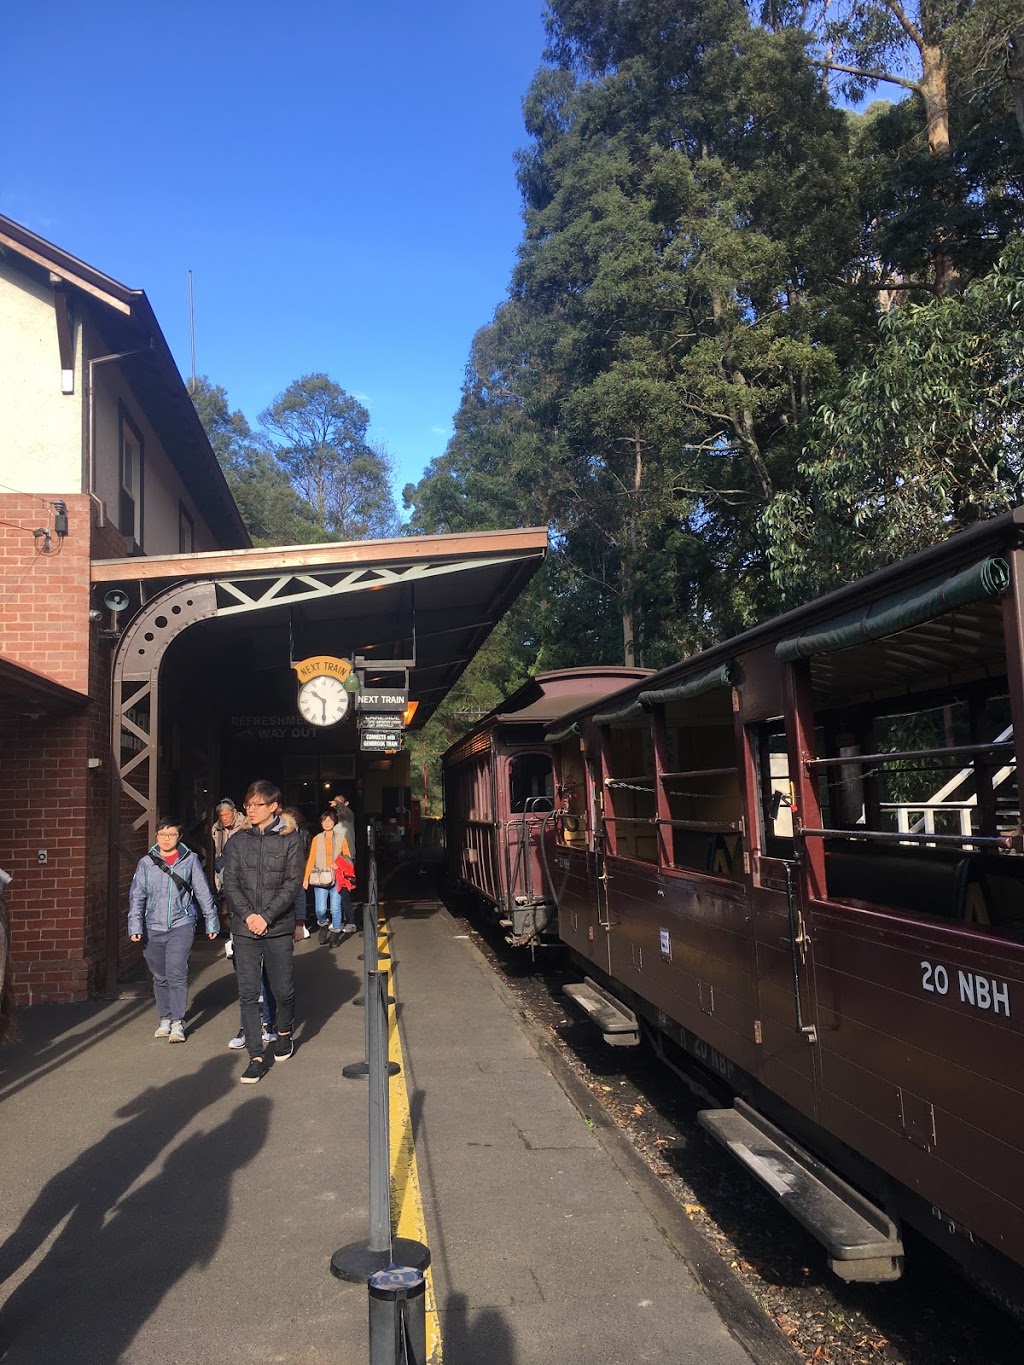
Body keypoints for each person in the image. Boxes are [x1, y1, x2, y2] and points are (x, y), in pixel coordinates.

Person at [221, 779, 304, 1084]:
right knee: (247, 992)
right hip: (245, 929)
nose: (250, 810)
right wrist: (248, 916)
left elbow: (293, 883)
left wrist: (266, 916)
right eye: (248, 804)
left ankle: (283, 1032)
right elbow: (230, 883)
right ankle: (256, 1055)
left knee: (282, 990)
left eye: (257, 805)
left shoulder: (291, 839)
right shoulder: (238, 841)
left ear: (274, 807)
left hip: (278, 927)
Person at [128, 818, 219, 1043]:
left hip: (181, 924)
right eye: (162, 835)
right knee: (159, 976)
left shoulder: (190, 860)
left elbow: (202, 891)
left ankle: (178, 1021)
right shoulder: (146, 863)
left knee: (176, 973)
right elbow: (137, 895)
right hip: (152, 926)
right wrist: (135, 925)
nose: (166, 839)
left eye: (171, 835)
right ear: (157, 837)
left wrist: (211, 921)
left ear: (179, 837)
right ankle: (165, 1018)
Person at [303, 809, 355, 946]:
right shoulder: (316, 839)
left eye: (330, 820)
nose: (327, 823)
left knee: (335, 908)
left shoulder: (340, 837)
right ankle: (323, 925)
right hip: (320, 878)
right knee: (319, 909)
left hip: (337, 878)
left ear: (334, 822)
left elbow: (348, 856)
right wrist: (306, 878)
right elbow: (311, 859)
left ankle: (335, 934)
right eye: (324, 820)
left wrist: (340, 864)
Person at [211, 798, 246, 933]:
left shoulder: (245, 826)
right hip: (223, 867)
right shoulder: (216, 828)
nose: (224, 818)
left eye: (227, 814)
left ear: (235, 812)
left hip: (240, 868)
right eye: (221, 815)